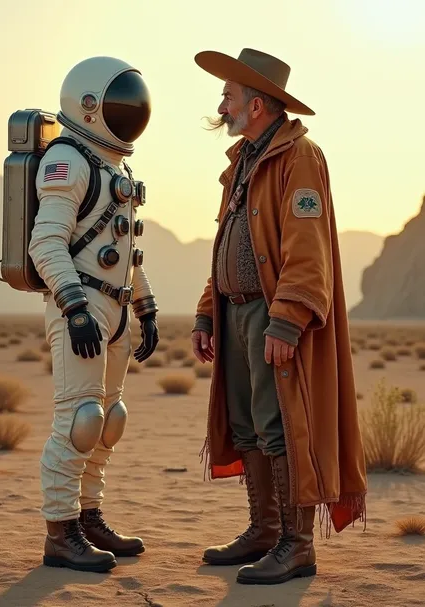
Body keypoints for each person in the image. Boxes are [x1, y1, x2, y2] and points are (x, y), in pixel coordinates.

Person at [191, 48, 367, 585]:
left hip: (270, 317)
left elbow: (306, 247)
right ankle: (264, 531)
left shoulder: (300, 157)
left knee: (278, 426)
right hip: (236, 314)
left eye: (229, 96)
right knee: (246, 423)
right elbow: (228, 243)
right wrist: (206, 313)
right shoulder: (244, 160)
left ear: (259, 104)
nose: (221, 104)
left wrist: (287, 319)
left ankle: (296, 544)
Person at [28, 56, 159, 573]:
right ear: (89, 105)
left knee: (108, 421)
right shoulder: (69, 160)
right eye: (121, 103)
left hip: (116, 306)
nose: (132, 113)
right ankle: (61, 532)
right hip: (81, 306)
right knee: (79, 420)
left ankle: (89, 515)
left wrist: (144, 306)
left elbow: (126, 248)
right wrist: (74, 306)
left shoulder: (114, 166)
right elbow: (46, 242)